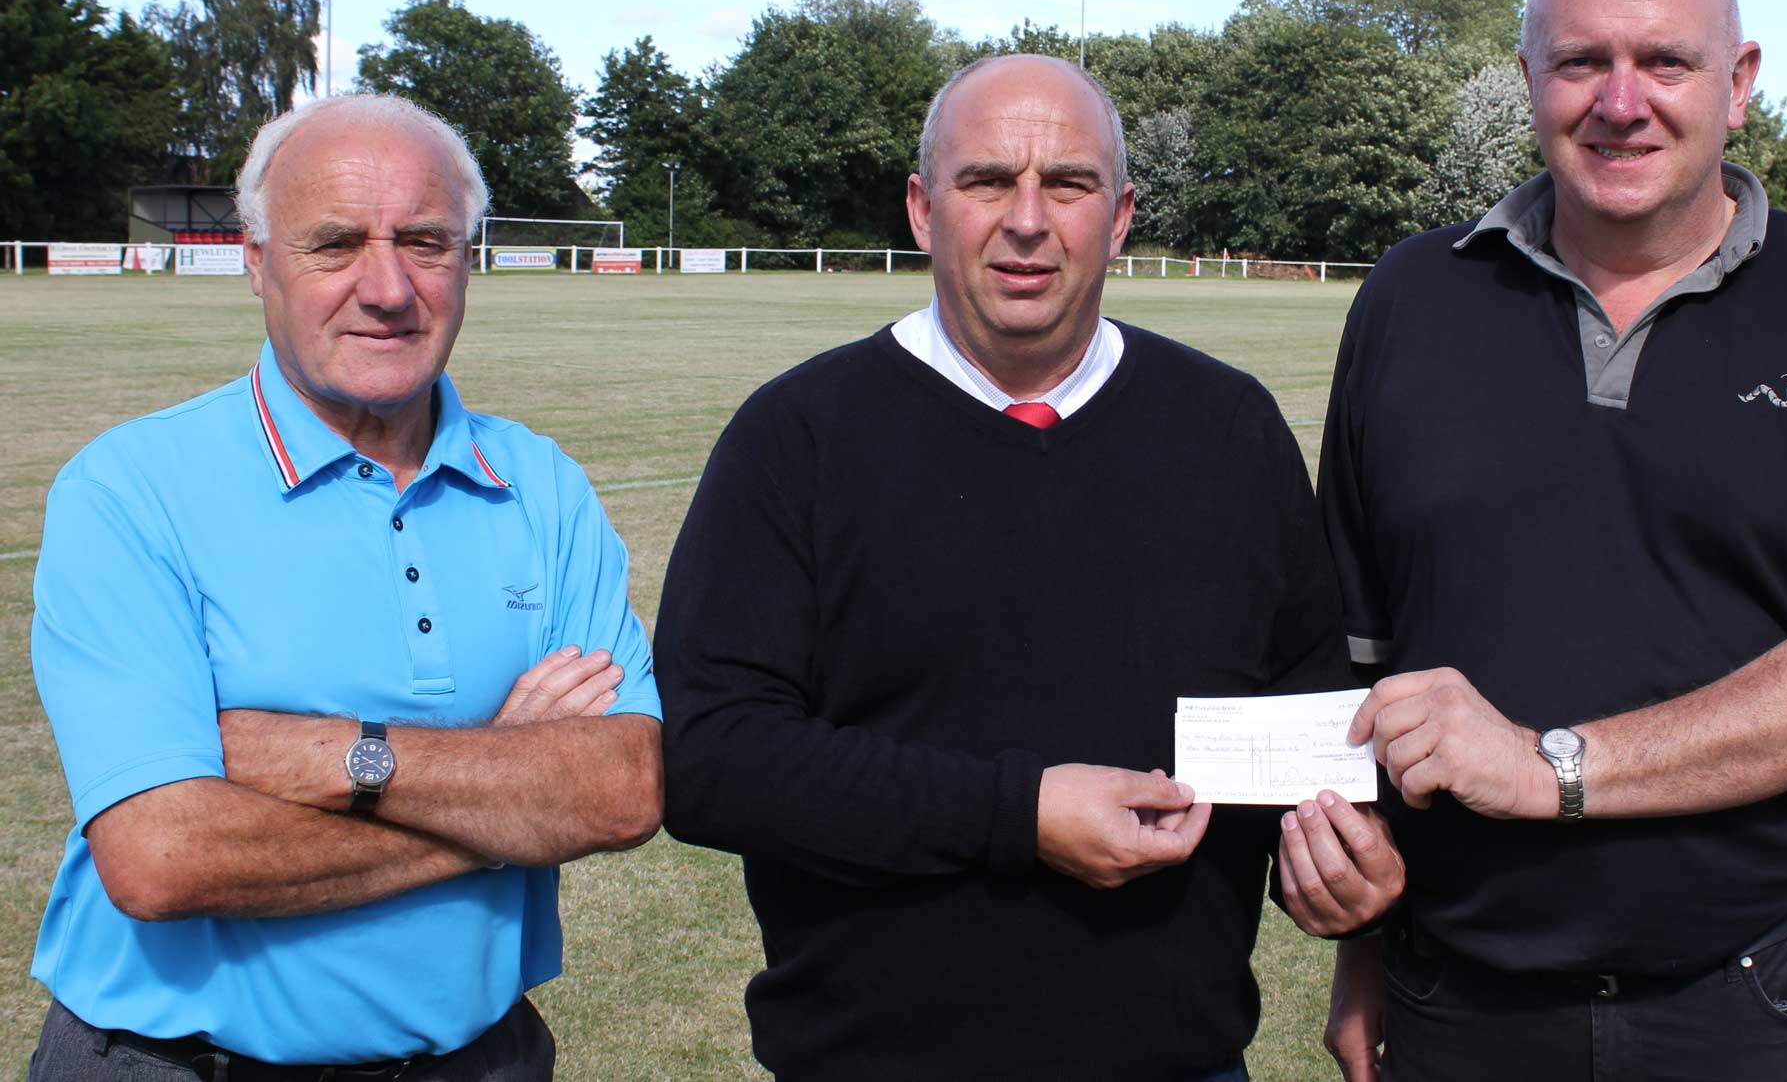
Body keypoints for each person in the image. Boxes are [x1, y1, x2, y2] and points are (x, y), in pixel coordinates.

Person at [1316, 0, 1787, 1082]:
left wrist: (1551, 764)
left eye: (1664, 62)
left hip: (1766, 995)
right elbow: (1368, 668)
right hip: (1460, 993)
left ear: (1737, 83)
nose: (1620, 101)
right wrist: (1359, 946)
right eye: (1579, 62)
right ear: (1527, 80)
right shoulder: (1411, 296)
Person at [655, 53, 1403, 1082]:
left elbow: (1305, 723)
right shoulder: (797, 436)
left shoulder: (1226, 428)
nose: (1025, 218)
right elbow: (712, 761)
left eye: (1067, 182)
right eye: (985, 180)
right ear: (922, 209)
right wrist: (1016, 816)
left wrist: (1332, 865)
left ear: (1122, 212)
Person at [28, 94, 663, 1081]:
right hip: (173, 1063)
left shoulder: (541, 485)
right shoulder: (129, 489)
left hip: (478, 1058)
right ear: (255, 259)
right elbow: (163, 858)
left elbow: (620, 792)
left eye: (424, 241)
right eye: (335, 243)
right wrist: (509, 794)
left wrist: (329, 756)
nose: (387, 287)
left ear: (467, 256)